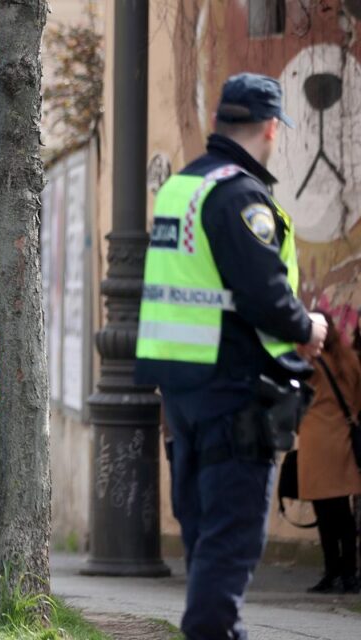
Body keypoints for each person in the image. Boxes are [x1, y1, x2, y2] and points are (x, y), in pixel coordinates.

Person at [134, 72, 328, 639]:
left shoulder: (180, 189)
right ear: (271, 127)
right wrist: (306, 327)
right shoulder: (241, 196)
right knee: (229, 546)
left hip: (184, 392)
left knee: (204, 541)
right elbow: (263, 295)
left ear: (220, 121)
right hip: (235, 391)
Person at [297, 312, 361, 594]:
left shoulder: (308, 360)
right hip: (342, 440)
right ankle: (349, 574)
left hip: (315, 441)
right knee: (344, 514)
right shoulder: (350, 361)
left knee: (324, 513)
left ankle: (331, 572)